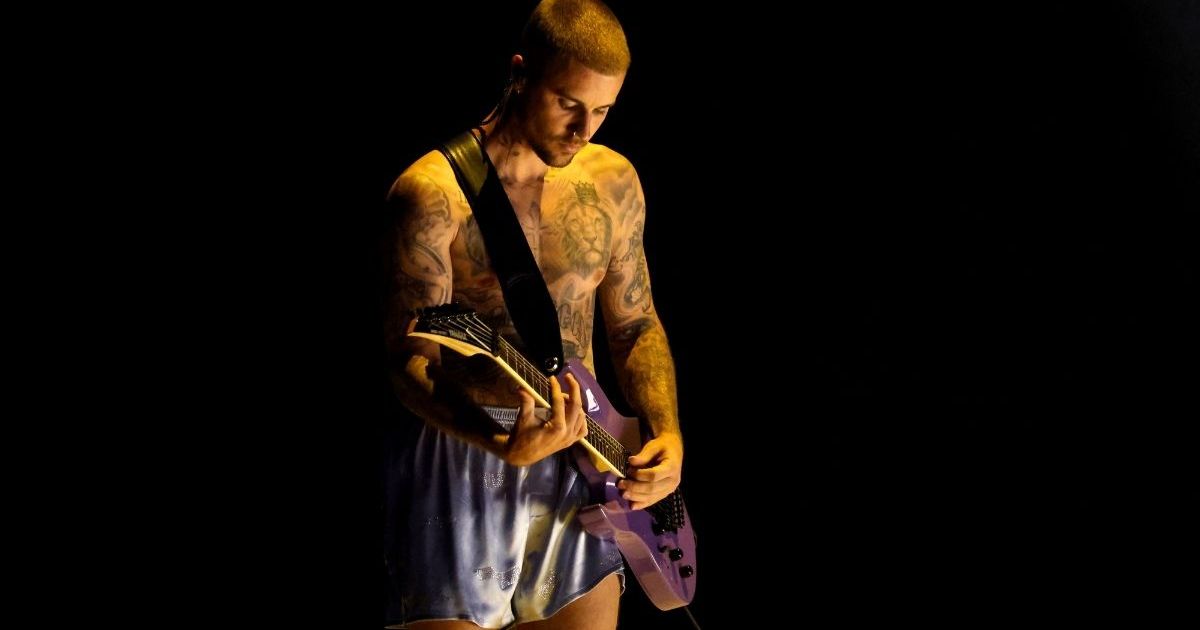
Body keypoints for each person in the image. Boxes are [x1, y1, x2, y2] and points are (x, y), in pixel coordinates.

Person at [382, 1, 684, 628]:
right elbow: (407, 359)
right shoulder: (432, 195)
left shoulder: (614, 182)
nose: (583, 130)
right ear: (520, 73)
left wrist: (667, 433)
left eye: (602, 111)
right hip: (463, 450)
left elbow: (636, 326)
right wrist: (499, 442)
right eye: (568, 104)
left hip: (588, 454)